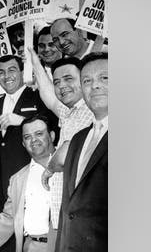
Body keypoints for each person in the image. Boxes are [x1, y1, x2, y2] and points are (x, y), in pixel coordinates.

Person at [0, 55, 57, 252]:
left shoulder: (37, 97)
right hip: (4, 182)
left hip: (35, 172)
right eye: (1, 72)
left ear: (21, 72)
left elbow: (54, 126)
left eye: (11, 70)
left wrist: (22, 120)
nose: (6, 76)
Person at [26, 48, 95, 238]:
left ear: (84, 81)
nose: (61, 85)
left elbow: (67, 151)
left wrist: (50, 168)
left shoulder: (93, 111)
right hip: (64, 219)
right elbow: (48, 96)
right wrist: (35, 62)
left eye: (68, 79)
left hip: (82, 220)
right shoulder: (69, 112)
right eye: (57, 82)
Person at [55, 52, 108, 252]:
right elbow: (68, 210)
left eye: (105, 78)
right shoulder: (77, 140)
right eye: (87, 80)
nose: (94, 85)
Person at [0, 115, 58, 252]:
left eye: (39, 134)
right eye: (27, 137)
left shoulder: (71, 166)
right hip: (31, 246)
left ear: (52, 136)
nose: (33, 140)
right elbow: (7, 219)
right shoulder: (17, 179)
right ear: (23, 144)